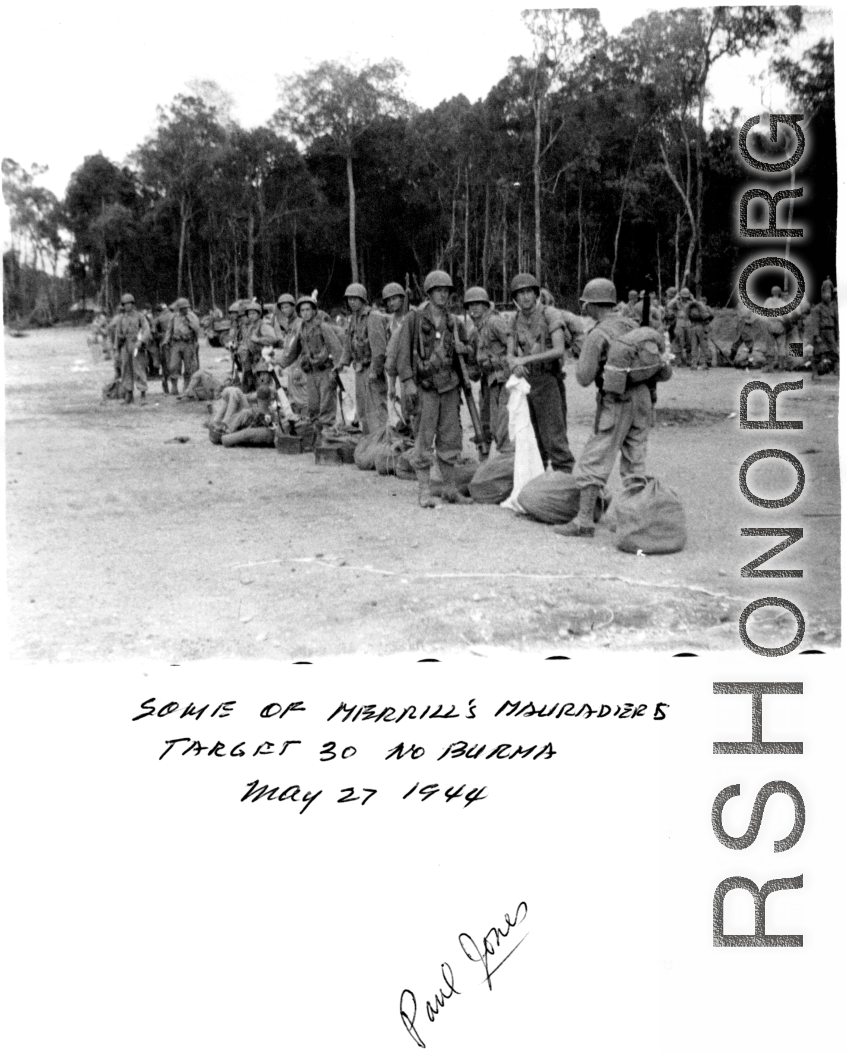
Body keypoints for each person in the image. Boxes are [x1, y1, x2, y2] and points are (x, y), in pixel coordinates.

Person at [555, 278, 673, 539]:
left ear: (591, 305)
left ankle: (584, 520)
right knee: (635, 461)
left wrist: (581, 353)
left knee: (595, 456)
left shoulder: (597, 334)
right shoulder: (633, 324)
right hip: (644, 398)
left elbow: (584, 378)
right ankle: (635, 520)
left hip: (616, 401)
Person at [394, 269, 473, 507]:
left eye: (446, 291)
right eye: (438, 291)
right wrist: (407, 383)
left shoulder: (455, 323)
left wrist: (465, 351)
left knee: (450, 439)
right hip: (425, 387)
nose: (442, 295)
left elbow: (468, 355)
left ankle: (449, 489)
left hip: (449, 387)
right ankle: (424, 491)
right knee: (423, 439)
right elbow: (403, 353)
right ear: (429, 293)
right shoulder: (414, 319)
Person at [506, 272, 575, 473]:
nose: (525, 297)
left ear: (536, 293)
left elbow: (558, 350)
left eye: (529, 292)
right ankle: (539, 486)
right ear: (515, 298)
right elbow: (510, 354)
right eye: (520, 293)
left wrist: (525, 359)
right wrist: (514, 365)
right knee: (532, 438)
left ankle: (565, 483)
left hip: (548, 380)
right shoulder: (513, 319)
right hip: (527, 384)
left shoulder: (550, 314)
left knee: (555, 437)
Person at [281, 294, 344, 437]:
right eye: (302, 310)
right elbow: (294, 350)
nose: (305, 313)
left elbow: (336, 347)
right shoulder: (301, 328)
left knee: (327, 405)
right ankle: (317, 435)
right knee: (313, 406)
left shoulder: (323, 327)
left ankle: (328, 436)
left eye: (308, 310)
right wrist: (281, 363)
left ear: (314, 311)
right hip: (310, 372)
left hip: (325, 371)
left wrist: (337, 368)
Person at [464, 286, 512, 454]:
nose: (473, 308)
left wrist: (500, 362)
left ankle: (507, 464)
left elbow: (512, 344)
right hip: (488, 382)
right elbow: (475, 371)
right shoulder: (475, 330)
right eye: (470, 305)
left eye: (478, 304)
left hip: (503, 380)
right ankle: (483, 464)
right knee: (485, 426)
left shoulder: (494, 322)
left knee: (501, 425)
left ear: (485, 305)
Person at [339, 282, 388, 434]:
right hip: (360, 369)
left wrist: (375, 371)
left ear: (363, 299)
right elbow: (348, 343)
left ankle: (379, 443)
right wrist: (342, 362)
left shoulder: (373, 317)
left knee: (375, 408)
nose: (351, 302)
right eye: (349, 299)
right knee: (363, 409)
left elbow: (379, 349)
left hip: (371, 369)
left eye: (355, 298)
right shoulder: (354, 318)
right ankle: (369, 443)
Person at [113, 293, 151, 404]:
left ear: (133, 304)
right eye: (125, 304)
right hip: (125, 346)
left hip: (136, 346)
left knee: (138, 369)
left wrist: (141, 341)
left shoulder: (140, 316)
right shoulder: (121, 318)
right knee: (126, 369)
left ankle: (143, 393)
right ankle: (129, 394)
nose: (127, 306)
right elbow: (117, 334)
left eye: (129, 304)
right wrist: (117, 349)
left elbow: (146, 329)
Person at [162, 297, 200, 394]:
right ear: (179, 308)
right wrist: (166, 341)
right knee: (173, 366)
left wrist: (190, 322)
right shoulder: (174, 317)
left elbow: (197, 329)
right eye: (183, 308)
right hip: (176, 344)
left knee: (189, 366)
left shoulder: (192, 316)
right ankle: (174, 387)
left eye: (187, 308)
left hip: (188, 343)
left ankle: (186, 388)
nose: (186, 310)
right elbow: (169, 330)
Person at [809, 283, 839, 376]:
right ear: (822, 297)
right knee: (818, 353)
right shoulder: (817, 308)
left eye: (829, 296)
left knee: (834, 352)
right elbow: (815, 323)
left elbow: (836, 322)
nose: (828, 298)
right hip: (821, 333)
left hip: (831, 333)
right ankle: (814, 372)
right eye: (826, 296)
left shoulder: (833, 308)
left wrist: (837, 335)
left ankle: (837, 370)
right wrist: (816, 335)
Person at [763, 285, 789, 371]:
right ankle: (781, 366)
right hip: (780, 324)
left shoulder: (768, 301)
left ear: (772, 292)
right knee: (781, 345)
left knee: (770, 345)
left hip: (770, 323)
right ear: (779, 293)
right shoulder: (782, 303)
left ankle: (770, 366)